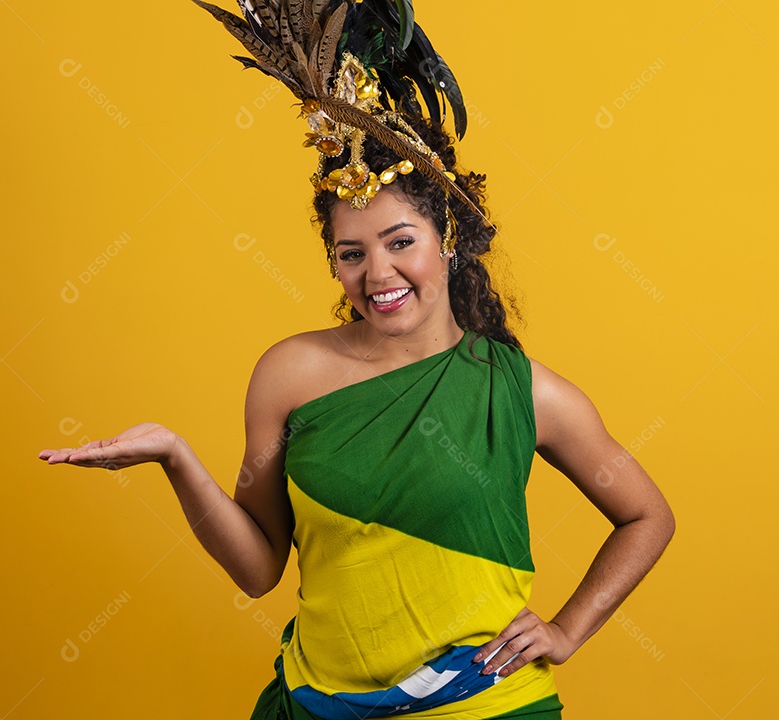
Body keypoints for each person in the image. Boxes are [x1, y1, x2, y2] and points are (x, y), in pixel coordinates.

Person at [39, 2, 675, 718]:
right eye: (353, 253)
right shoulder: (288, 375)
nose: (379, 272)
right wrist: (175, 457)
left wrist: (566, 630)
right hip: (319, 705)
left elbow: (646, 516)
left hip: (483, 708)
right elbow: (257, 569)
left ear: (448, 239)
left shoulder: (525, 395)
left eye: (401, 242)